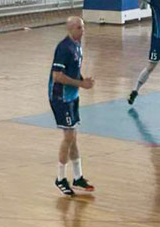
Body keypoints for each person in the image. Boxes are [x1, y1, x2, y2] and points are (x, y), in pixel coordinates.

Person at [49, 16, 95, 196]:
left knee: (73, 136)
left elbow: (73, 70)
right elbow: (57, 76)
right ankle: (60, 178)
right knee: (68, 137)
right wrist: (81, 84)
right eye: (79, 28)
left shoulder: (77, 46)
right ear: (70, 29)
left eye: (83, 27)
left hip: (72, 96)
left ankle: (78, 177)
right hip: (61, 97)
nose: (82, 30)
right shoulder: (64, 48)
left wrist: (83, 80)